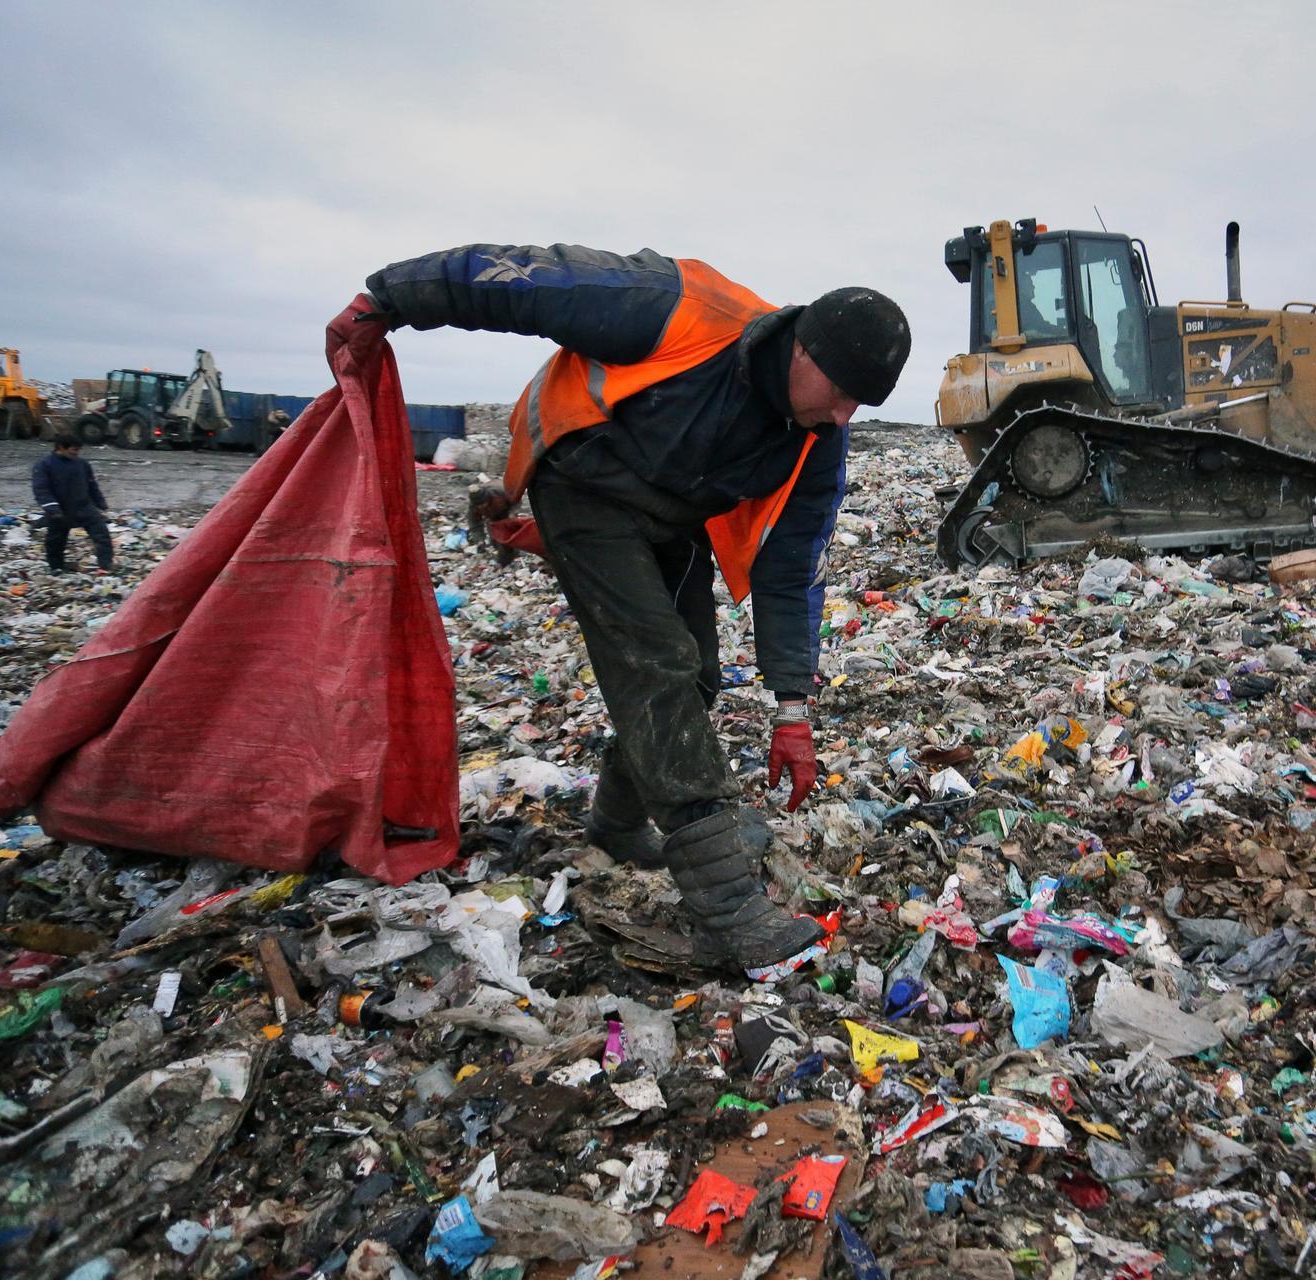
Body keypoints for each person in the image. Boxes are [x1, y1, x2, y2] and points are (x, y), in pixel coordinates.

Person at [357, 242, 910, 972]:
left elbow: (790, 572)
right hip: (583, 484)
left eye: (860, 406)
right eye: (840, 392)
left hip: (673, 518)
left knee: (700, 677)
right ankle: (725, 909)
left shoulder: (817, 440)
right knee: (657, 665)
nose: (843, 417)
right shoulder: (680, 311)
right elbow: (532, 281)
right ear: (801, 346)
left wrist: (792, 709)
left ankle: (616, 823)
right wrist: (390, 299)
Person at [30, 435, 114, 574]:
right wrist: (52, 508)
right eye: (74, 450)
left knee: (102, 535)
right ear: (61, 447)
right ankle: (56, 567)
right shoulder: (44, 465)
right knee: (56, 541)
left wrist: (101, 504)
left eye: (78, 450)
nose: (76, 453)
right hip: (60, 510)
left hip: (84, 507)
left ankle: (105, 565)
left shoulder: (82, 464)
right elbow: (41, 489)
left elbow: (92, 485)